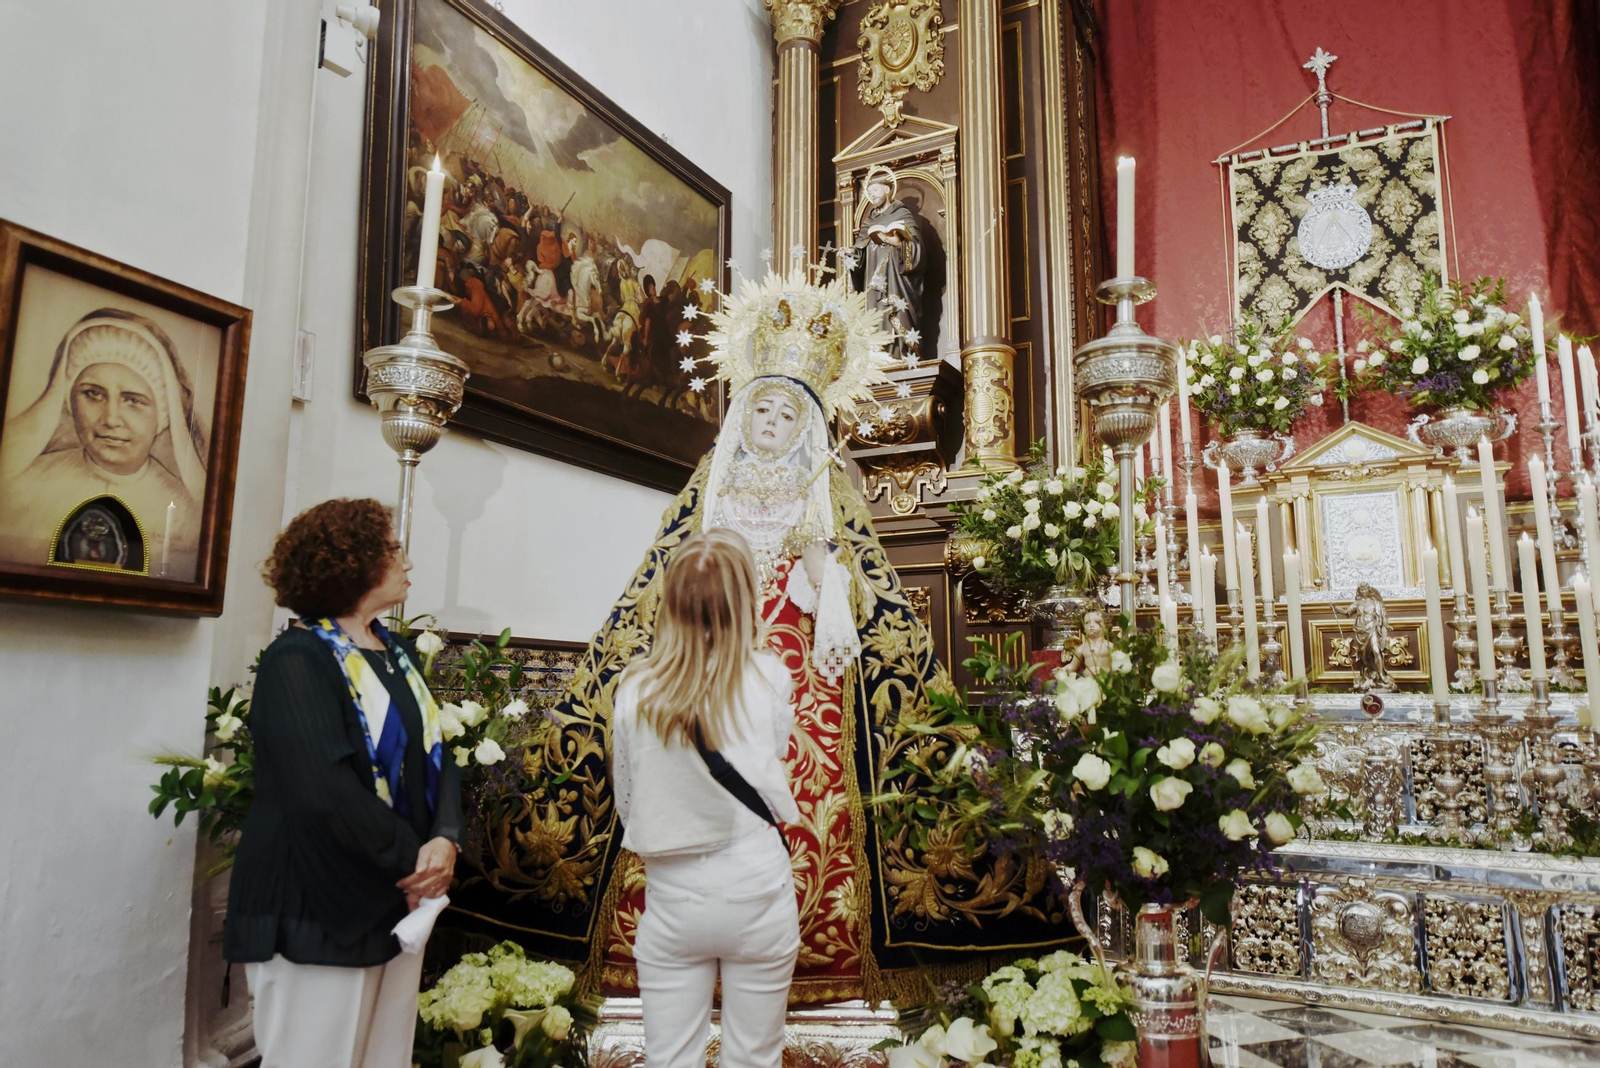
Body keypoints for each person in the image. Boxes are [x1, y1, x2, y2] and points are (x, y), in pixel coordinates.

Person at [449, 266, 1072, 1006]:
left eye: (787, 415)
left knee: (804, 782)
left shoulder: (823, 491)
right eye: (763, 410)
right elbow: (664, 579)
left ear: (807, 427)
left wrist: (821, 577)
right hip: (701, 647)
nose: (772, 423)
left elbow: (854, 592)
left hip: (799, 661)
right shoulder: (709, 488)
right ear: (742, 415)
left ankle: (826, 947)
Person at [224, 498, 462, 1068]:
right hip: (316, 904)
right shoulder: (296, 659)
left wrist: (446, 838)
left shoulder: (396, 652)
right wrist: (415, 864)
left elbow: (437, 753)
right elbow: (321, 791)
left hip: (392, 899)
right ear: (353, 563)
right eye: (393, 550)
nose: (407, 561)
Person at [611, 529, 800, 1068]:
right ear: (744, 600)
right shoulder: (770, 677)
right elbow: (771, 759)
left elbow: (628, 799)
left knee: (669, 1060)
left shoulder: (635, 688)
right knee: (755, 1059)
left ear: (670, 602)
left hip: (673, 896)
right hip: (757, 887)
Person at [0, 308, 207, 576]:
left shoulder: (183, 511)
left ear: (163, 416)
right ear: (69, 402)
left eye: (133, 400)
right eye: (93, 394)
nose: (110, 419)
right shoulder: (22, 487)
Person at [847, 165, 924, 361]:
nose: (872, 195)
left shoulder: (902, 214)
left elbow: (917, 249)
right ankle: (878, 353)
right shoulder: (869, 221)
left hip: (896, 278)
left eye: (875, 190)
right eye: (869, 192)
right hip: (873, 281)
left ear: (887, 189)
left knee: (896, 309)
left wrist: (898, 243)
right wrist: (851, 253)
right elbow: (860, 255)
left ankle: (898, 353)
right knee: (875, 311)